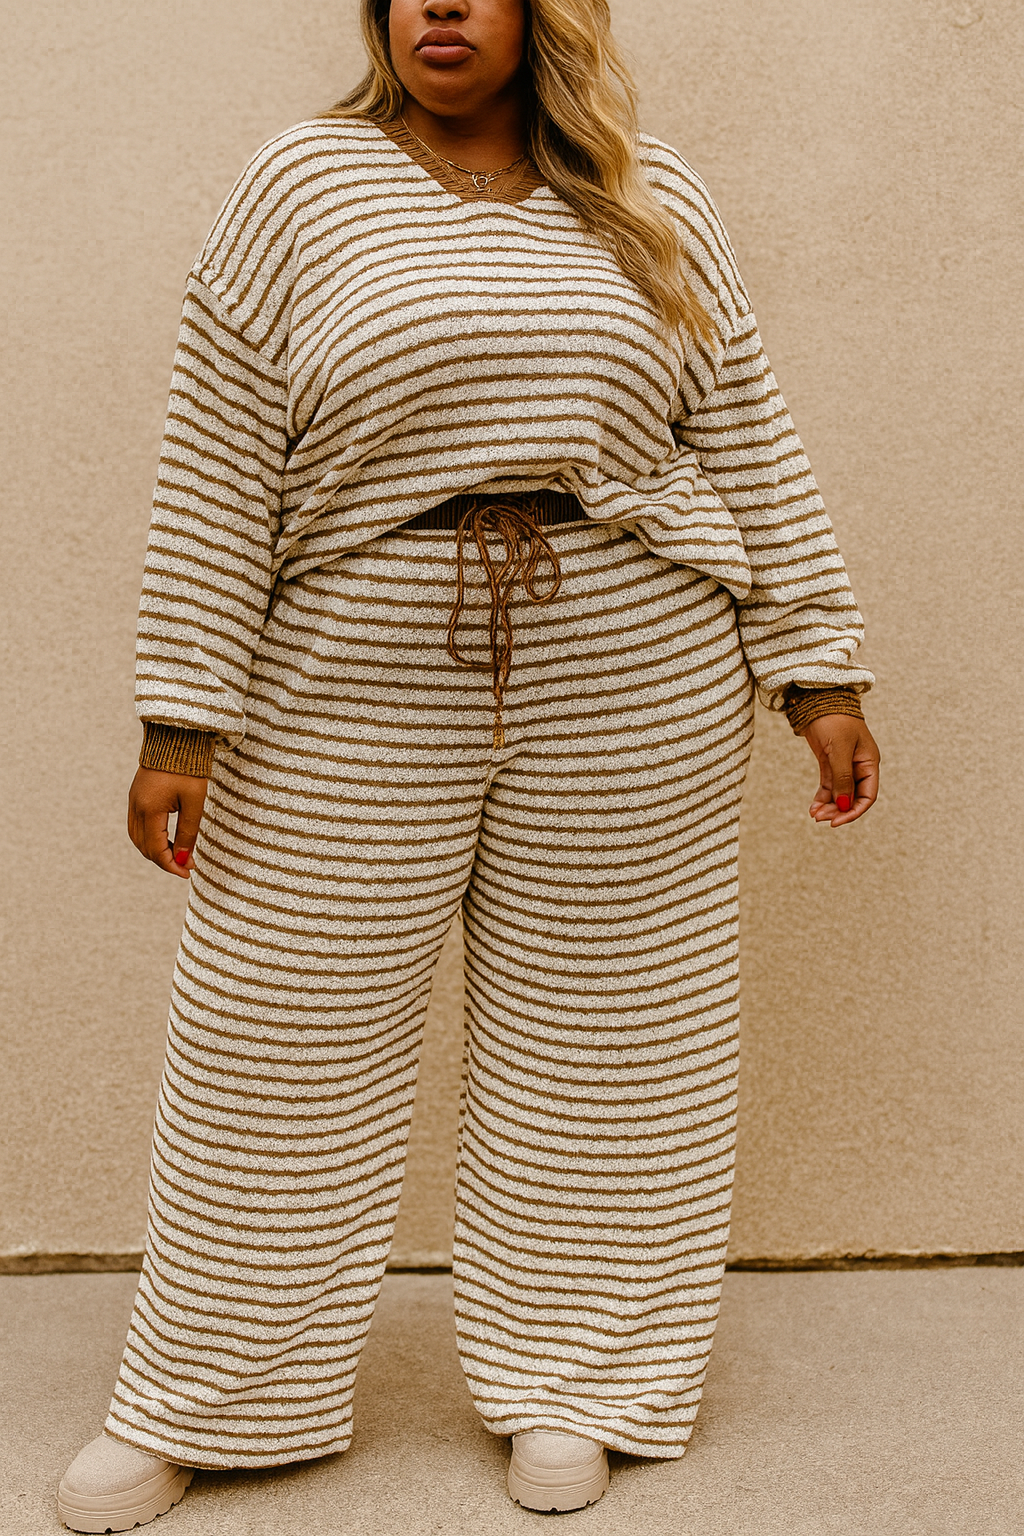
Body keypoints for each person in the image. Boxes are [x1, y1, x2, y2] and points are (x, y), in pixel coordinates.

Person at [57, 0, 879, 1526]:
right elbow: (217, 459)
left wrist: (817, 668)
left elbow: (749, 432)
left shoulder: (647, 192)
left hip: (633, 656)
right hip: (352, 657)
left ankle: (578, 1384)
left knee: (614, 1034)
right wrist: (183, 716)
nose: (442, 3)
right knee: (275, 1033)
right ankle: (208, 1396)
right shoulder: (300, 185)